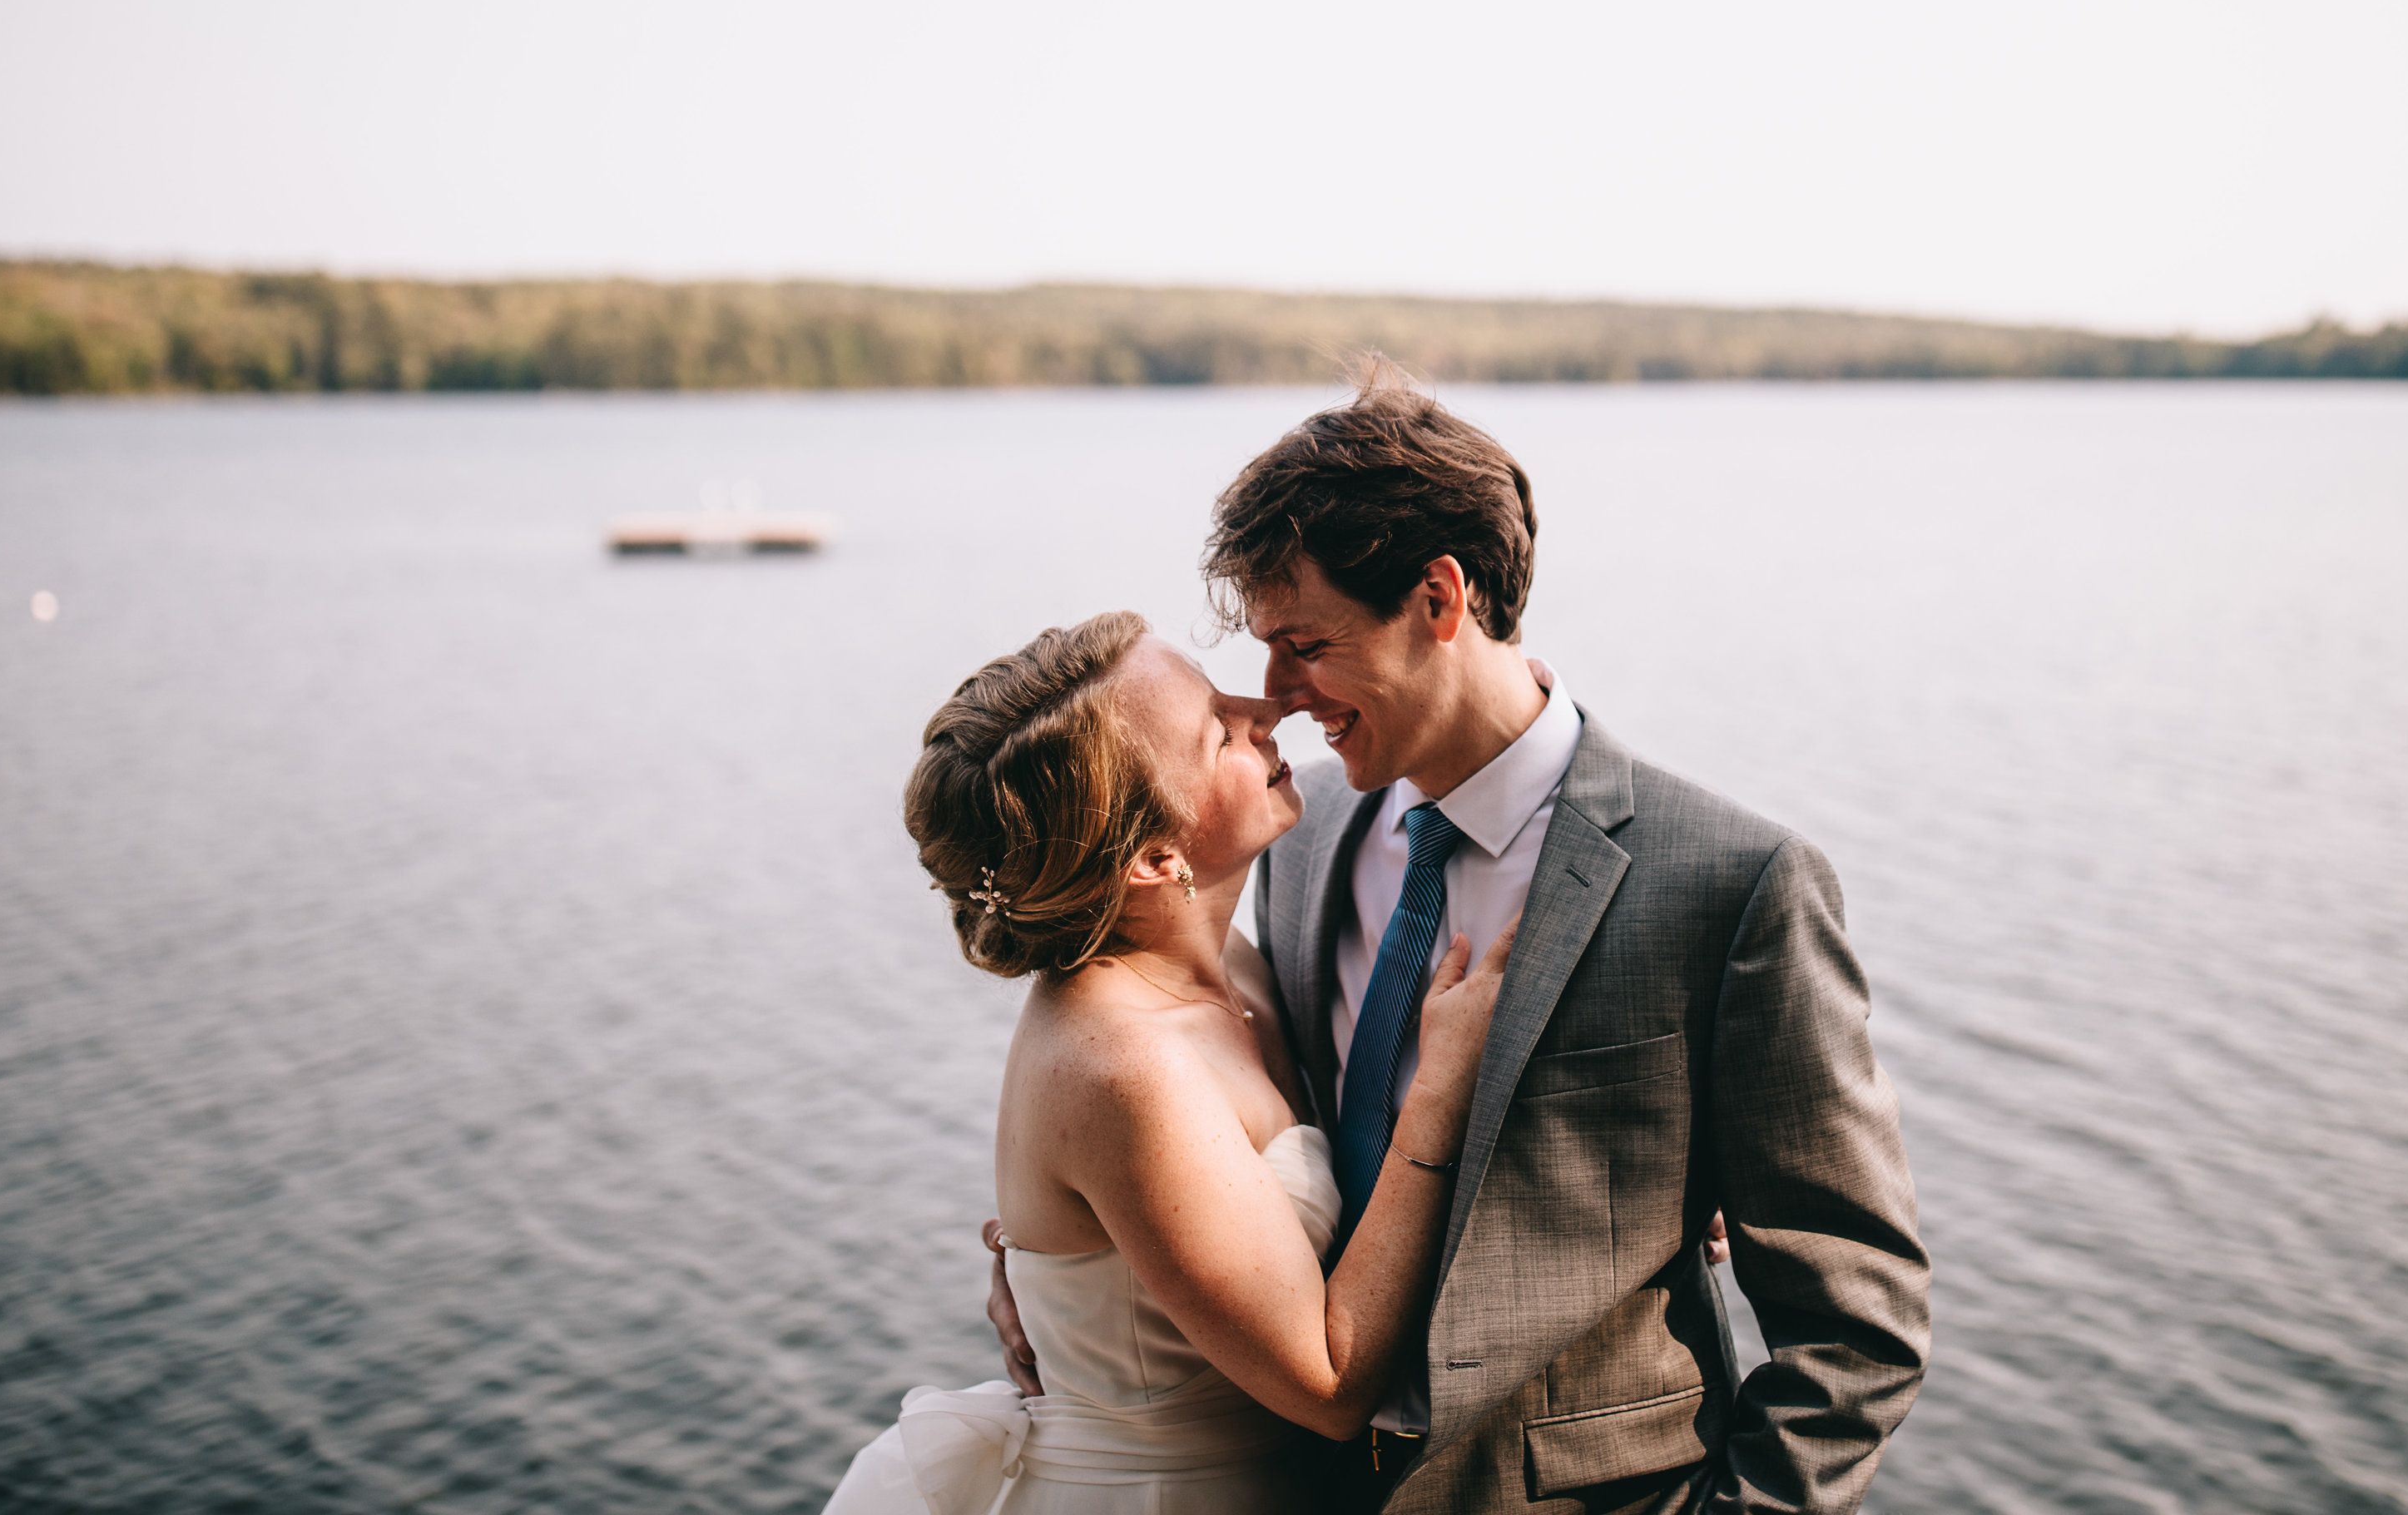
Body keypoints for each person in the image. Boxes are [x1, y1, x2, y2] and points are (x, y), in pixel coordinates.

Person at [988, 370, 1932, 1513]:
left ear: (1440, 599)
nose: (1277, 696)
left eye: (1305, 644)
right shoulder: (1294, 840)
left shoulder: (1731, 888)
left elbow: (1856, 1325)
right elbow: (1175, 1114)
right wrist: (1055, 1273)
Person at [825, 611, 1522, 1515]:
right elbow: (1330, 1386)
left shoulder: (1224, 962)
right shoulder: (1123, 1065)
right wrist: (1442, 1098)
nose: (1262, 707)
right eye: (1214, 731)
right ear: (1157, 858)